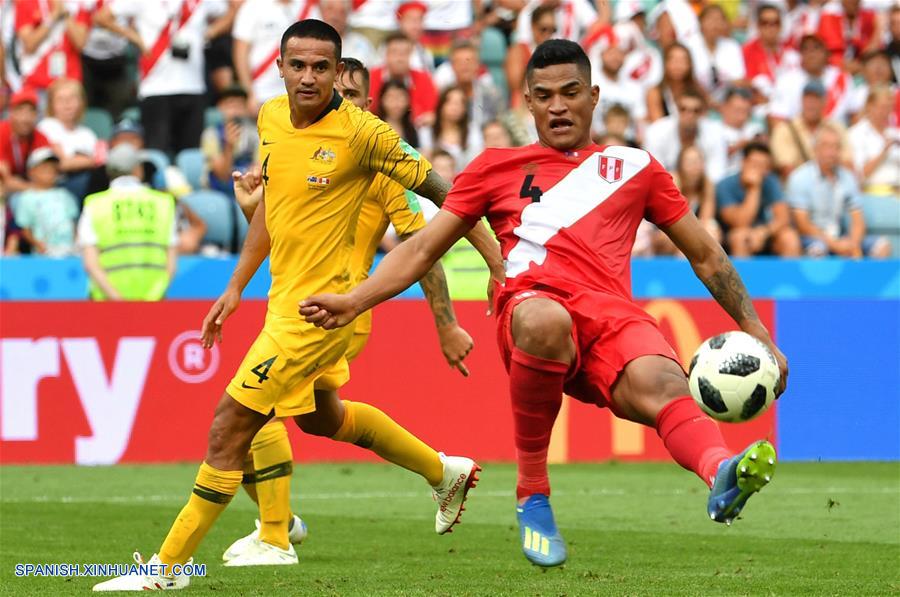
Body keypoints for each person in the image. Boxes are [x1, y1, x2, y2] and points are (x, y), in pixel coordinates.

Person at [301, 39, 788, 569]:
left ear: (595, 96)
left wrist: (757, 330)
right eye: (545, 96)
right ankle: (532, 492)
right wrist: (355, 300)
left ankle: (720, 473)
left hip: (611, 318)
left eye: (571, 92)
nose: (558, 106)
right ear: (527, 103)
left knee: (666, 383)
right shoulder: (492, 168)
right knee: (544, 318)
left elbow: (707, 255)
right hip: (530, 307)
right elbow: (421, 248)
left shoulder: (635, 167)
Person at [92, 20, 503, 591]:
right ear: (279, 66)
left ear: (338, 72)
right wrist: (236, 285)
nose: (308, 77)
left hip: (321, 314)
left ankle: (180, 566)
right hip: (280, 302)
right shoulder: (269, 119)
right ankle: (442, 472)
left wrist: (495, 261)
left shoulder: (365, 136)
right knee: (319, 416)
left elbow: (448, 198)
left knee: (232, 425)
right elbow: (274, 213)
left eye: (320, 67)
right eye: (297, 65)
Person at [220, 56, 475, 566]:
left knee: (253, 410)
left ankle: (275, 534)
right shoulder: (305, 153)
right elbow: (286, 237)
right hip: (298, 305)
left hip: (338, 311)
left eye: (351, 94)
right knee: (320, 419)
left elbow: (421, 250)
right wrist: (254, 211)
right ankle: (443, 472)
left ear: (367, 106)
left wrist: (446, 323)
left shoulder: (382, 169)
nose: (340, 102)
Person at [93, 0, 233, 156]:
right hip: (155, 87)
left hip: (193, 86)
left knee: (191, 154)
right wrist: (134, 38)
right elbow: (101, 17)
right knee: (157, 154)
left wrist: (210, 32)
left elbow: (230, 11)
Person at [78, 143, 178, 300]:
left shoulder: (94, 204)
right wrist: (151, 299)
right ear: (138, 170)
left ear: (108, 171)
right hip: (153, 303)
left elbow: (91, 263)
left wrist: (119, 301)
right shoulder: (164, 203)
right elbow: (171, 264)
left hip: (107, 304)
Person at [788, 123, 892, 258]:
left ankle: (868, 279)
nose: (832, 152)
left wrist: (853, 244)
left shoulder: (847, 177)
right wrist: (834, 244)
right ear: (815, 149)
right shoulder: (800, 177)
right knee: (817, 249)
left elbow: (857, 219)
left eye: (836, 147)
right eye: (827, 146)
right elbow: (803, 225)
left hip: (840, 235)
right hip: (812, 238)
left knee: (882, 246)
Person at [232, 0, 320, 114]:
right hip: (261, 94)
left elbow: (318, 48)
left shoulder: (308, 7)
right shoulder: (253, 6)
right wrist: (249, 93)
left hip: (299, 94)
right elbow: (240, 53)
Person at [716, 142, 801, 257]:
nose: (759, 170)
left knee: (789, 237)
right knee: (740, 237)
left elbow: (783, 218)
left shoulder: (771, 181)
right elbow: (740, 222)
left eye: (764, 166)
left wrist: (764, 232)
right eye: (754, 164)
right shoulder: (725, 185)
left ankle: (786, 275)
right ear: (743, 162)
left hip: (764, 232)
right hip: (733, 235)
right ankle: (742, 275)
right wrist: (754, 189)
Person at [770, 79, 852, 178]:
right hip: (799, 189)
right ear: (801, 100)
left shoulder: (836, 128)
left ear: (825, 102)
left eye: (816, 99)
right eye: (808, 98)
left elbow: (848, 164)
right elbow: (787, 170)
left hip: (833, 185)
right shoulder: (784, 130)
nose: (811, 104)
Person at [643, 87, 728, 182]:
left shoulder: (715, 132)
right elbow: (653, 173)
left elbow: (716, 173)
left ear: (703, 112)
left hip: (701, 189)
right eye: (683, 109)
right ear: (675, 108)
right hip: (667, 188)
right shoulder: (657, 131)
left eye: (696, 110)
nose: (689, 115)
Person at [37, 77, 101, 201]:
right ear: (51, 104)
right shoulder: (46, 127)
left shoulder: (88, 134)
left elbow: (100, 162)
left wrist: (74, 160)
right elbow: (61, 165)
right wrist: (89, 160)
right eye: (60, 99)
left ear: (81, 102)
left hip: (88, 184)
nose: (67, 104)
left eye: (72, 98)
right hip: (58, 186)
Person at [769, 34, 854, 125]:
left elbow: (855, 114)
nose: (811, 54)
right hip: (798, 135)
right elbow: (776, 119)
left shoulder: (842, 78)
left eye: (816, 48)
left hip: (836, 135)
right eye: (805, 49)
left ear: (827, 52)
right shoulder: (786, 80)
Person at [13, 0, 90, 94]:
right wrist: (54, 15)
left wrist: (65, 14)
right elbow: (29, 45)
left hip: (69, 82)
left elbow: (80, 43)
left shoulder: (79, 5)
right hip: (36, 81)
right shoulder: (27, 3)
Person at [12, 146, 78, 256]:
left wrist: (76, 244)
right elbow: (25, 229)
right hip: (43, 254)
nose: (49, 173)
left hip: (69, 251)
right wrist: (39, 245)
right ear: (31, 172)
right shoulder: (26, 198)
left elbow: (73, 223)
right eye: (44, 169)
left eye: (53, 169)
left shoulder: (65, 195)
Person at [655, 144, 720, 256]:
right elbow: (672, 219)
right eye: (690, 161)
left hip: (694, 230)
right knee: (672, 238)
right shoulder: (672, 180)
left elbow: (706, 218)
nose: (695, 166)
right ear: (680, 164)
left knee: (712, 230)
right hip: (669, 229)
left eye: (698, 161)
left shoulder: (707, 184)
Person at [201, 84, 259, 197]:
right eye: (230, 104)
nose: (235, 110)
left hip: (249, 186)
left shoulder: (256, 134)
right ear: (220, 107)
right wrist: (229, 146)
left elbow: (258, 167)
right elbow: (221, 176)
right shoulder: (211, 135)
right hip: (219, 190)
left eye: (240, 105)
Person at [369, 33, 439, 127]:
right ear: (385, 54)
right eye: (395, 52)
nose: (400, 58)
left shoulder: (423, 78)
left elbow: (432, 112)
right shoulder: (370, 77)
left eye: (405, 53)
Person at [742, 3, 800, 113]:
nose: (770, 28)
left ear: (781, 26)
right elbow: (741, 82)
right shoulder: (746, 51)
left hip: (789, 106)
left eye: (775, 23)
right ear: (758, 26)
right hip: (759, 109)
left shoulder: (790, 53)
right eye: (765, 23)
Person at [685, 4, 747, 103]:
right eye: (711, 19)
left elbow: (739, 80)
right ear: (700, 22)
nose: (715, 24)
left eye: (719, 20)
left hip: (726, 101)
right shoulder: (688, 45)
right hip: (695, 99)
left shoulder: (732, 46)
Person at [848, 85, 900, 198]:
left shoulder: (895, 133)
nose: (886, 112)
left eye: (889, 108)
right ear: (869, 106)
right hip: (872, 195)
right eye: (882, 107)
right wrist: (884, 152)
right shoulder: (856, 133)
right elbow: (859, 175)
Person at [0, 88, 50, 194]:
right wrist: (35, 187)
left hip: (28, 190)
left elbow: (48, 175)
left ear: (36, 115)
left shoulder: (40, 137)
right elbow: (5, 180)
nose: (25, 118)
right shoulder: (2, 132)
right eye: (20, 110)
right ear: (11, 113)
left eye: (31, 111)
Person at [419, 85, 481, 168]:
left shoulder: (472, 131)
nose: (455, 107)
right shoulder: (427, 131)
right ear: (441, 105)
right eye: (451, 102)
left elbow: (476, 160)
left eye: (460, 103)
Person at [645, 42, 705, 123]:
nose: (678, 65)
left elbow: (701, 120)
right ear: (665, 63)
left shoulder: (698, 90)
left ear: (690, 65)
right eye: (673, 60)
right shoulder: (655, 92)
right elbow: (657, 125)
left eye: (682, 61)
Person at [720, 86, 765, 173]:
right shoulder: (713, 129)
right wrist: (739, 146)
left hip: (750, 176)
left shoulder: (755, 128)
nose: (741, 117)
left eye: (745, 111)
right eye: (737, 110)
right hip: (723, 176)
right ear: (724, 107)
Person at [376, 79, 419, 147]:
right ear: (382, 100)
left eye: (400, 97)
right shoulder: (375, 127)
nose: (396, 103)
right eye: (391, 97)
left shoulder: (411, 130)